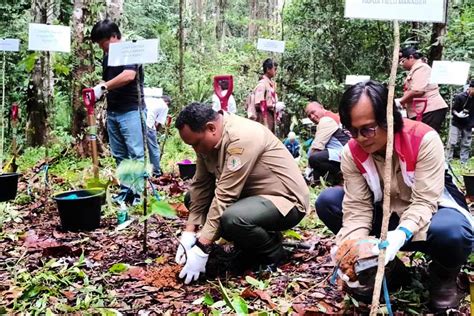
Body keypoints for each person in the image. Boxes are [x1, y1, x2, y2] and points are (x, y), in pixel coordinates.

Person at [316, 81, 473, 312]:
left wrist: (400, 236)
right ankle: (391, 271)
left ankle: (443, 277)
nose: (360, 138)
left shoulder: (423, 140)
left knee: (452, 232)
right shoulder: (352, 152)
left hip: (430, 218)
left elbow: (425, 201)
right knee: (328, 202)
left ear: (388, 119)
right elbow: (358, 207)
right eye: (353, 131)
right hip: (387, 216)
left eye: (368, 129)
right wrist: (351, 247)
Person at [174, 103, 309, 284]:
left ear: (211, 128)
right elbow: (201, 187)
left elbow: (225, 196)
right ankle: (248, 247)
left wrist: (201, 247)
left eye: (196, 143)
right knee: (192, 198)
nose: (196, 150)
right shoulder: (208, 142)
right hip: (250, 199)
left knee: (233, 218)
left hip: (285, 201)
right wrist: (189, 234)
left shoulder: (241, 136)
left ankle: (273, 253)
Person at [90, 19, 145, 204]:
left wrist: (103, 87)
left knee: (135, 153)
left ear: (114, 36)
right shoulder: (107, 56)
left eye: (102, 42)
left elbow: (129, 76)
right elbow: (110, 82)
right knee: (120, 154)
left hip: (131, 110)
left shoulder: (131, 49)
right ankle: (126, 190)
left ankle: (140, 194)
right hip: (113, 111)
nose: (101, 47)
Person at [396, 46, 448, 132]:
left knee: (425, 137)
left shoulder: (422, 67)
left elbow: (417, 91)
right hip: (421, 111)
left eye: (402, 61)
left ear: (411, 57)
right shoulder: (415, 70)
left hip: (429, 110)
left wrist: (400, 101)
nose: (401, 65)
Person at [305, 102, 349, 185]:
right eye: (309, 116)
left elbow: (317, 147)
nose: (312, 117)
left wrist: (308, 169)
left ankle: (339, 178)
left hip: (344, 155)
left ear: (321, 107)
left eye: (313, 112)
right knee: (316, 172)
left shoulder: (326, 120)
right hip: (342, 155)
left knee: (314, 159)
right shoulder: (332, 116)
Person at [446, 80, 474, 165]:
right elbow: (453, 109)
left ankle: (464, 162)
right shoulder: (460, 97)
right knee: (452, 142)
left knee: (466, 144)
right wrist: (458, 114)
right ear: (470, 88)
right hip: (457, 123)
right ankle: (447, 161)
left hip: (469, 123)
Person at [144, 88, 171, 177]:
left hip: (139, 124)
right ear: (166, 102)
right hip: (149, 126)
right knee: (154, 149)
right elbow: (158, 123)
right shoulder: (164, 106)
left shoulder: (151, 100)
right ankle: (156, 172)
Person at [249, 59, 279, 133]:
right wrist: (272, 105)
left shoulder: (271, 84)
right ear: (268, 69)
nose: (276, 72)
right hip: (264, 118)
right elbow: (259, 103)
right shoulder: (262, 84)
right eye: (274, 69)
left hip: (271, 116)